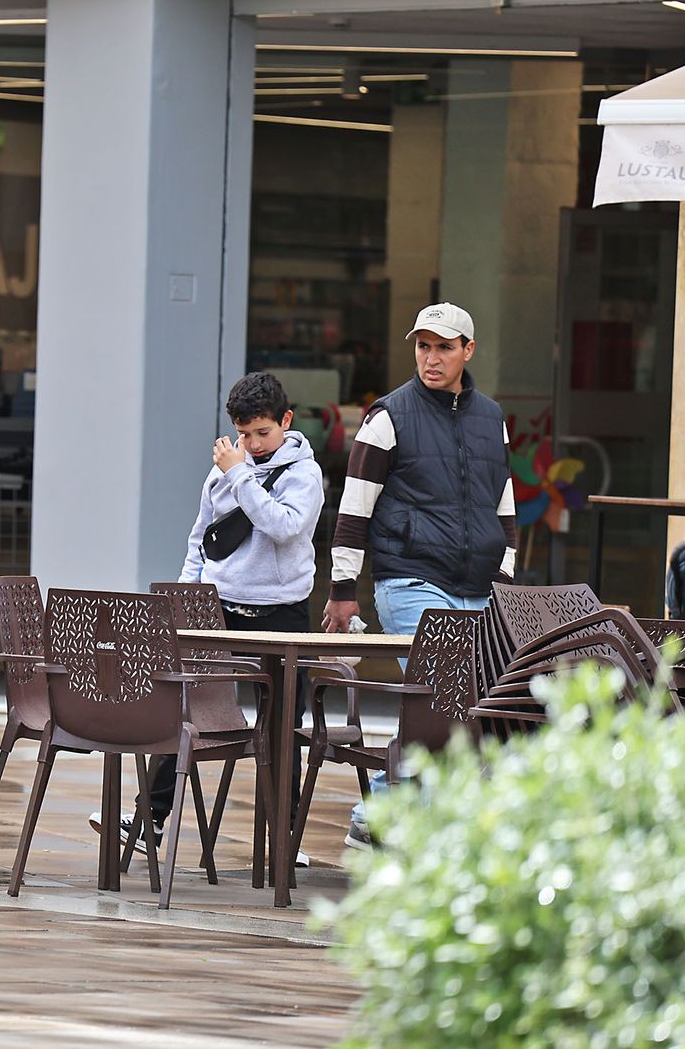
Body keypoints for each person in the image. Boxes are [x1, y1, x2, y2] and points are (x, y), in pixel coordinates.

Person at [89, 371, 325, 867]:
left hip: (282, 614)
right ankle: (150, 818)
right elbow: (200, 540)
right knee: (186, 711)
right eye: (244, 434)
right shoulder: (224, 468)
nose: (254, 444)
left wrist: (240, 474)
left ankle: (285, 834)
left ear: (286, 421)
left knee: (285, 721)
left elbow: (284, 527)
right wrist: (181, 602)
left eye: (263, 433)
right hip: (219, 608)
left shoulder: (303, 473)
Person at [321, 302, 516, 850]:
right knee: (444, 697)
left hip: (478, 585)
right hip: (410, 579)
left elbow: (504, 504)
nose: (431, 358)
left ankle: (378, 806)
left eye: (444, 347)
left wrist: (504, 575)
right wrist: (343, 591)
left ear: (467, 351)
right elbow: (355, 508)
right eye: (423, 346)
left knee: (467, 704)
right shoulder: (388, 416)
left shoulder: (491, 418)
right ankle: (429, 837)